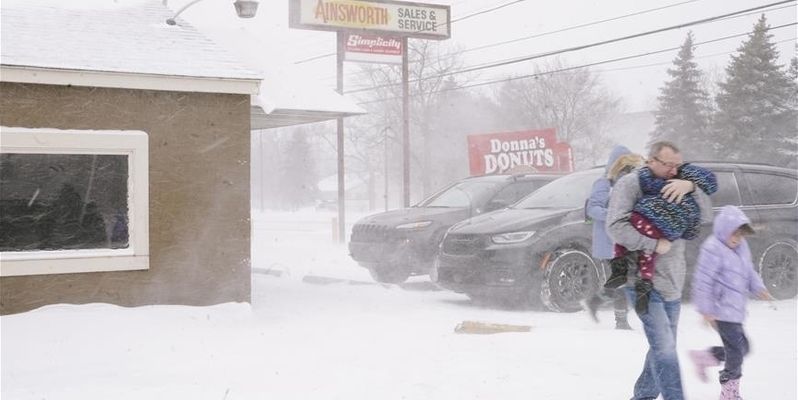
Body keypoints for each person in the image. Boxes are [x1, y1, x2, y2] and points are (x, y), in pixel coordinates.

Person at [606, 141, 714, 400]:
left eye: (678, 164)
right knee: (665, 350)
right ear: (651, 161)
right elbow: (615, 227)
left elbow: (707, 216)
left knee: (661, 349)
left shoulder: (682, 182)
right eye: (668, 164)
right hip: (641, 281)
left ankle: (642, 397)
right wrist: (653, 243)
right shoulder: (631, 185)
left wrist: (691, 186)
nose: (674, 170)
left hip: (672, 281)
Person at [603, 161, 717, 314]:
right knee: (648, 256)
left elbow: (649, 185)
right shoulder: (692, 200)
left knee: (627, 242)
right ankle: (643, 284)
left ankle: (620, 271)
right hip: (660, 234)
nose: (673, 170)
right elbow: (693, 229)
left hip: (644, 220)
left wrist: (690, 187)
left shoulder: (672, 185)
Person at [688, 205, 773, 400]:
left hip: (736, 310)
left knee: (744, 349)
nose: (737, 239)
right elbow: (703, 281)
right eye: (733, 234)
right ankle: (729, 392)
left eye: (740, 235)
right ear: (723, 230)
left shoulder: (741, 247)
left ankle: (705, 357)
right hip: (720, 311)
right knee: (736, 353)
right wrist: (706, 310)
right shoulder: (712, 249)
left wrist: (758, 287)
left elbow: (748, 271)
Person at [584, 145, 642, 330]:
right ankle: (621, 321)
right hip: (608, 241)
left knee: (625, 279)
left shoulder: (628, 182)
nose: (627, 169)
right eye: (623, 165)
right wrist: (617, 215)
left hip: (624, 239)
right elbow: (593, 209)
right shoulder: (603, 184)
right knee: (622, 279)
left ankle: (596, 301)